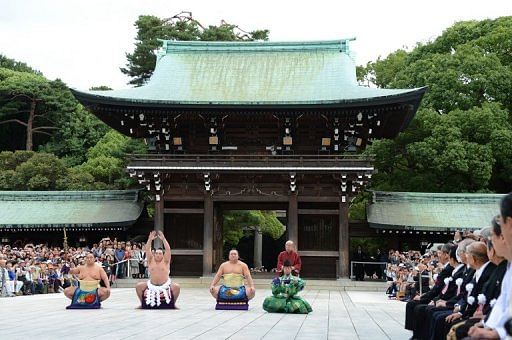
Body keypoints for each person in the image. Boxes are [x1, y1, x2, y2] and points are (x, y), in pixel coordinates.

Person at [135, 231, 180, 308]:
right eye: (156, 253)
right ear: (154, 254)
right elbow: (147, 249)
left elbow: (168, 249)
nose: (158, 255)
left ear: (163, 255)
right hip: (151, 284)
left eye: (160, 253)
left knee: (177, 287)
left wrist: (163, 239)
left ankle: (173, 304)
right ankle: (142, 303)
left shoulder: (165, 261)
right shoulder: (150, 260)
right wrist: (150, 239)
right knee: (138, 286)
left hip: (165, 285)